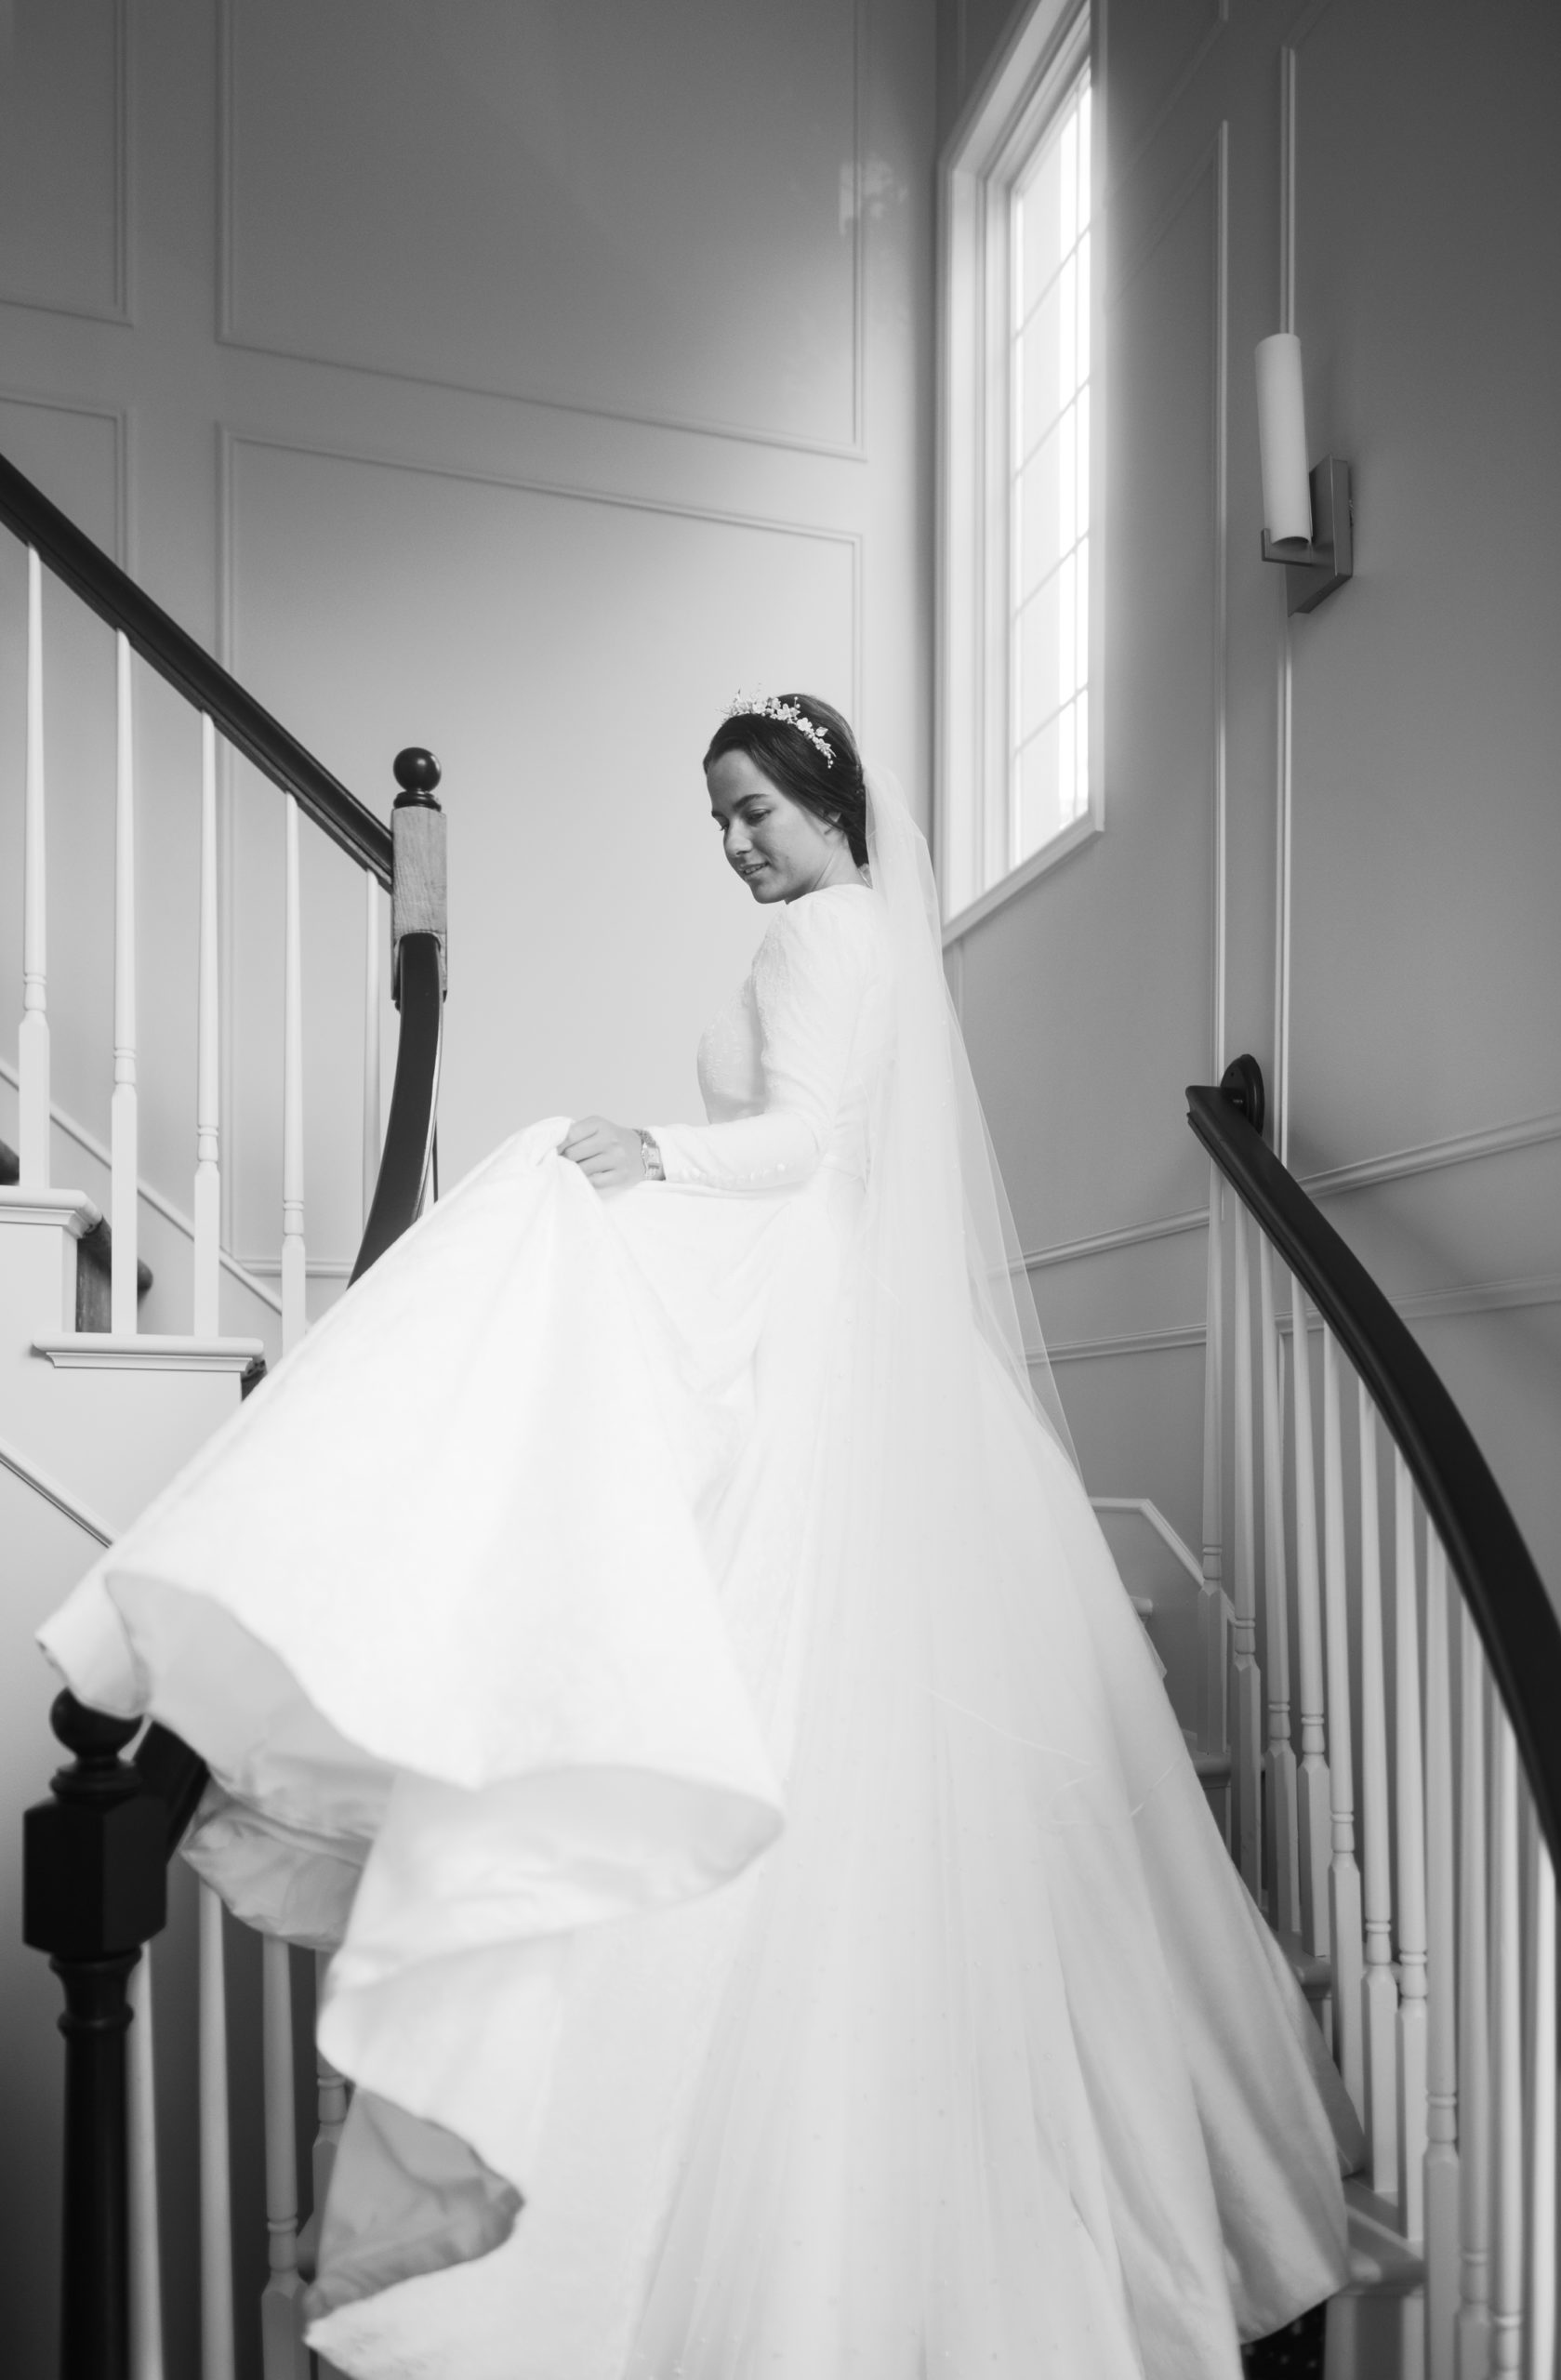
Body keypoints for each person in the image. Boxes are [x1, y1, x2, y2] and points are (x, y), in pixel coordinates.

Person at [42, 695, 1357, 2380]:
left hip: (811, 1335)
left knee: (558, 1268)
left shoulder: (820, 934)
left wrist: (648, 1150)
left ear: (824, 800)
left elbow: (808, 1143)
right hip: (854, 1335)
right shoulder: (874, 933)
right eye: (717, 820)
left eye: (753, 810)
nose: (735, 843)